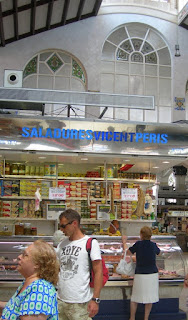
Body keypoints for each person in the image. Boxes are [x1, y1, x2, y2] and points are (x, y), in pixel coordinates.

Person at [56, 208, 103, 320]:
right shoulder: (61, 244)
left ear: (74, 224)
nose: (61, 229)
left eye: (63, 226)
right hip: (60, 301)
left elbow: (98, 271)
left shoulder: (90, 243)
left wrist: (95, 299)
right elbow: (57, 269)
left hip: (80, 303)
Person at [0, 240, 59, 320]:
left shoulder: (40, 290)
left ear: (37, 264)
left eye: (25, 255)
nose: (19, 257)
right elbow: (16, 306)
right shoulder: (29, 283)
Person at [122, 226, 160, 320]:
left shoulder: (138, 244)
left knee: (135, 297)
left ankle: (132, 318)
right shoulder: (153, 245)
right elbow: (159, 253)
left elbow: (128, 253)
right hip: (152, 274)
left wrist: (124, 242)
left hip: (140, 274)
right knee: (149, 298)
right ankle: (146, 318)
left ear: (141, 235)